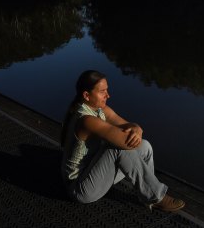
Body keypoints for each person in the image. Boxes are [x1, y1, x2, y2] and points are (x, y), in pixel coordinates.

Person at [60, 70, 185, 212]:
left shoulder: (100, 109)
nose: (108, 95)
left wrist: (137, 128)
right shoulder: (86, 120)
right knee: (118, 148)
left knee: (145, 146)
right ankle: (155, 196)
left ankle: (148, 193)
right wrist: (134, 132)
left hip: (94, 171)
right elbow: (125, 142)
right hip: (80, 188)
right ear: (87, 95)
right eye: (102, 91)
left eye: (107, 90)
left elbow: (128, 125)